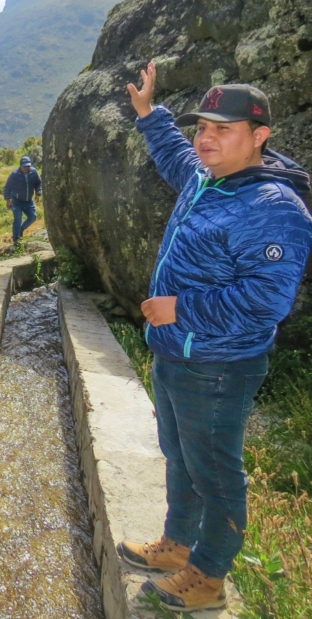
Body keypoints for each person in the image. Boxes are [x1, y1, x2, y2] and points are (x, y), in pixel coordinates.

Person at [117, 63, 312, 612]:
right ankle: (177, 546)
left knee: (216, 470)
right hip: (177, 354)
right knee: (178, 453)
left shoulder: (274, 209)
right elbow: (177, 158)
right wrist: (150, 114)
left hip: (220, 365)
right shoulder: (210, 176)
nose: (206, 137)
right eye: (203, 126)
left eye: (223, 129)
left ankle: (207, 577)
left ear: (259, 137)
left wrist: (181, 308)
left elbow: (267, 302)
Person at [3, 155, 43, 244]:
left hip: (29, 200)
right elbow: (7, 187)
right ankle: (16, 239)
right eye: (25, 166)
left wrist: (38, 193)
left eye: (28, 166)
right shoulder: (14, 174)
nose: (27, 168)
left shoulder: (34, 172)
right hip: (16, 201)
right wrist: (8, 200)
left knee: (33, 217)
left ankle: (21, 229)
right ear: (20, 166)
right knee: (17, 219)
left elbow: (38, 183)